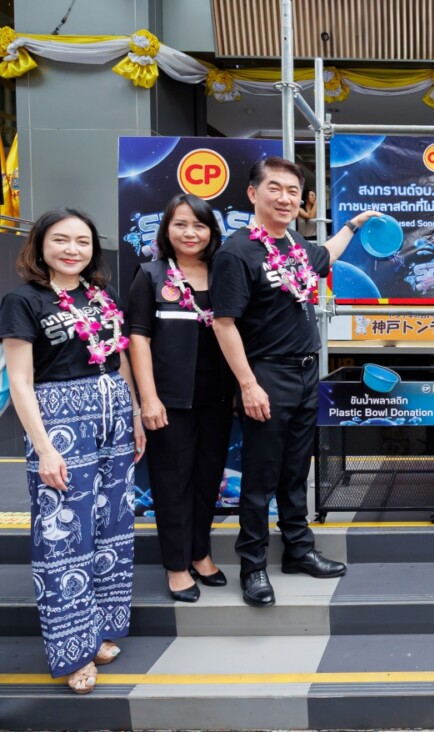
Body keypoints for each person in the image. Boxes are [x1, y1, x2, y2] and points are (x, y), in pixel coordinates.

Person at [210, 156, 381, 607]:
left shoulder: (295, 245)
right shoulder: (236, 252)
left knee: (295, 472)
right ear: (253, 193)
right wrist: (248, 384)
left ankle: (298, 551)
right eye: (275, 188)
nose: (285, 198)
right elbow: (224, 324)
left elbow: (326, 254)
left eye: (293, 191)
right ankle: (252, 566)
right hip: (267, 373)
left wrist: (356, 224)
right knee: (260, 476)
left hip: (307, 372)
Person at [0, 209, 145, 693]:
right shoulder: (23, 300)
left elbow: (119, 359)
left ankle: (98, 629)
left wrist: (134, 414)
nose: (72, 249)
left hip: (113, 416)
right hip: (60, 423)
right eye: (61, 240)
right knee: (63, 536)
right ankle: (72, 652)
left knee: (112, 528)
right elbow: (21, 382)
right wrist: (44, 449)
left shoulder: (102, 295)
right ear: (40, 245)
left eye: (82, 241)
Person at [128, 194, 234, 602]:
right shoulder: (150, 275)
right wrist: (148, 399)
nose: (190, 233)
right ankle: (176, 565)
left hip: (217, 398)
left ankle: (200, 553)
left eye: (199, 225)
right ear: (166, 230)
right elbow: (138, 339)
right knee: (171, 483)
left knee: (208, 479)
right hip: (169, 401)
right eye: (180, 224)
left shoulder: (224, 274)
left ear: (211, 231)